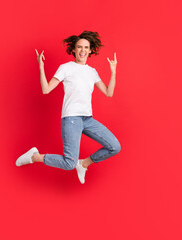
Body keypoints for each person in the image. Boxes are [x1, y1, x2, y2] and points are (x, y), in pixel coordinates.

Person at [16, 31, 121, 184]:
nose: (83, 50)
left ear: (91, 50)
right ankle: (35, 156)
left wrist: (113, 72)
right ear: (74, 50)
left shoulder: (92, 72)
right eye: (79, 47)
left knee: (114, 146)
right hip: (71, 118)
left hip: (87, 119)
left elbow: (108, 92)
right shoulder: (66, 68)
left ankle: (83, 164)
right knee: (69, 163)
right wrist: (41, 66)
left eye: (86, 47)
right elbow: (46, 89)